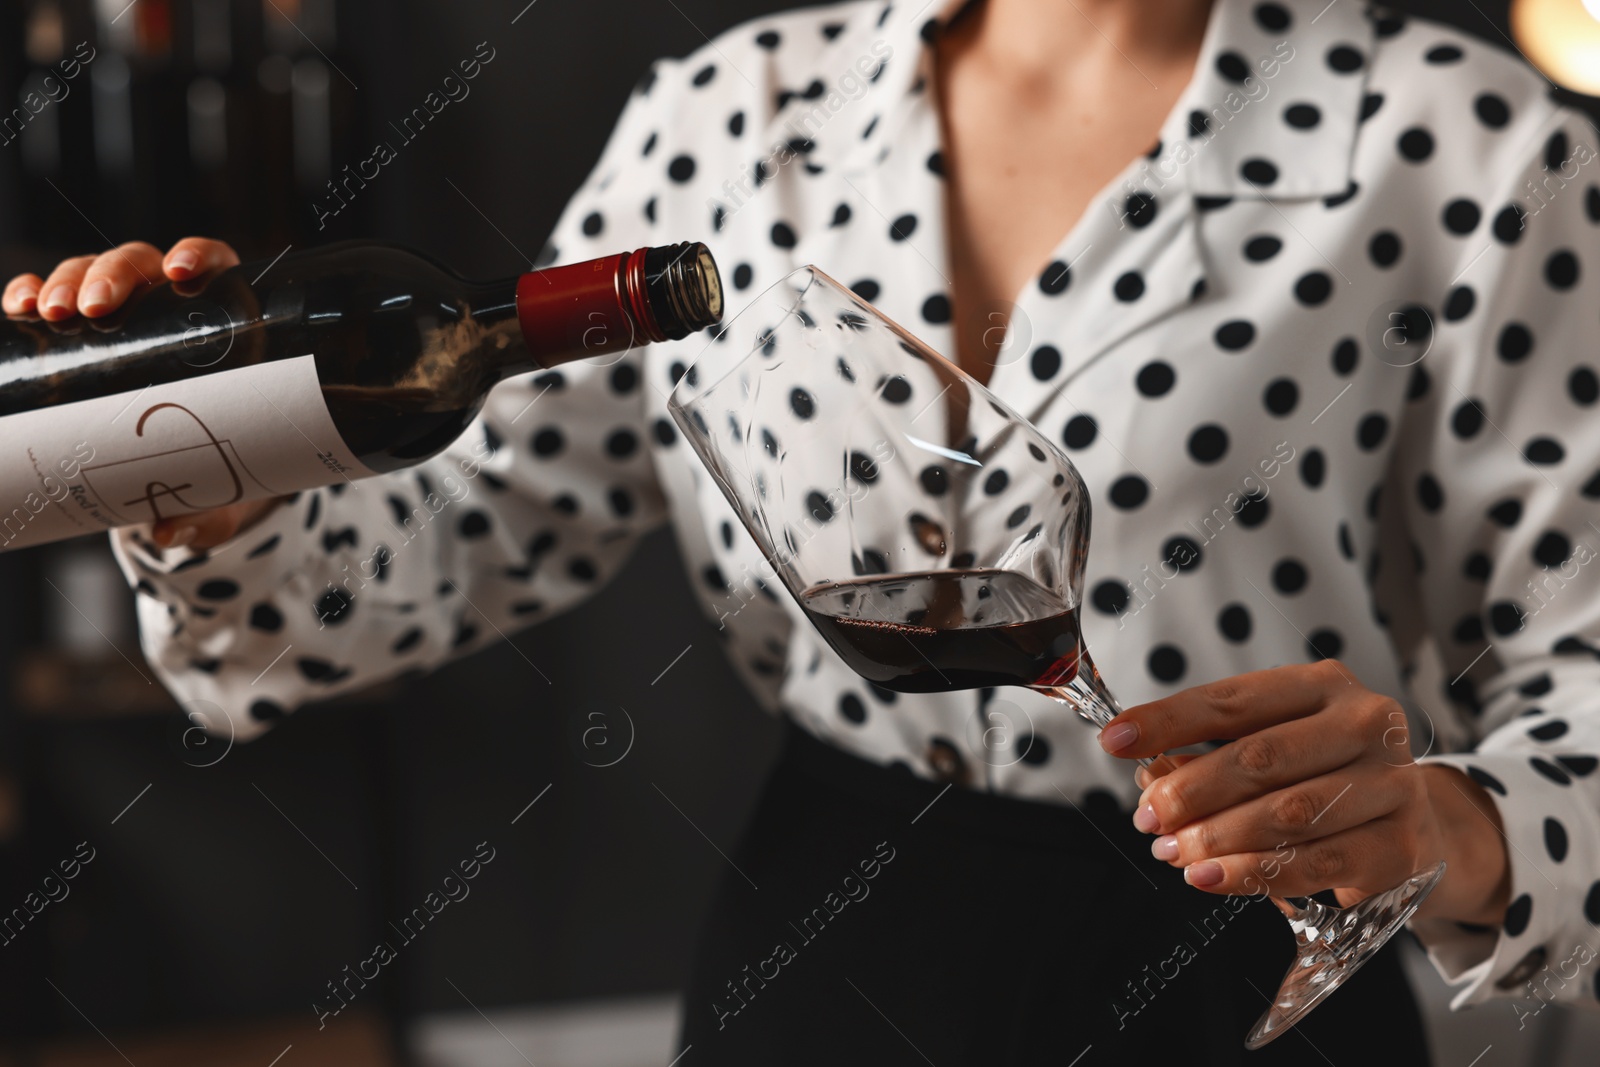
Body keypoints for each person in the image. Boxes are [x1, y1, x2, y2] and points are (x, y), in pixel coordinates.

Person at [8, 0, 1599, 1062]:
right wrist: (222, 495)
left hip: (1255, 965)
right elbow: (427, 561)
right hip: (839, 934)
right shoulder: (737, 107)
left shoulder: (1475, 147)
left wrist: (1446, 832)